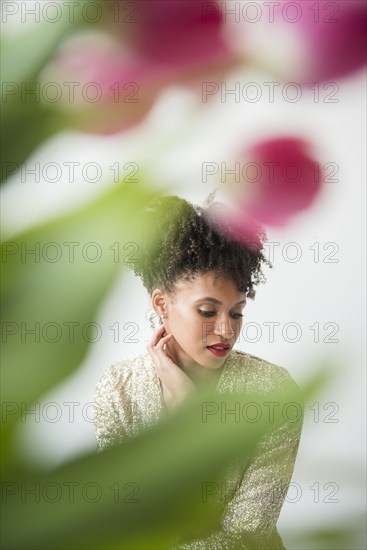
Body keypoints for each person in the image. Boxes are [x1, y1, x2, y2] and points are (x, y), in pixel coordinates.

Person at [94, 195, 304, 549]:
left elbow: (249, 532)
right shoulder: (118, 390)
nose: (226, 330)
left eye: (236, 313)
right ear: (162, 304)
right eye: (208, 311)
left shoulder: (272, 391)